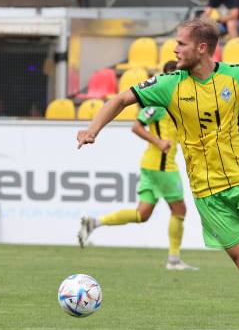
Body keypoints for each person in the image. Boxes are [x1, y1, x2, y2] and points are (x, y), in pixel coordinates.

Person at [77, 18, 239, 330]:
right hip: (208, 194)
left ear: (202, 48)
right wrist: (92, 129)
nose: (175, 49)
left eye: (181, 43)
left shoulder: (238, 76)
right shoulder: (169, 84)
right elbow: (120, 100)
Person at [79, 61, 197, 271]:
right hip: (162, 166)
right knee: (179, 209)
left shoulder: (178, 103)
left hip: (151, 165)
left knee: (142, 214)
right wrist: (159, 142)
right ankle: (174, 259)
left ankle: (95, 223)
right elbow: (136, 126)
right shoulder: (159, 104)